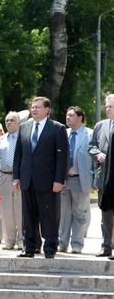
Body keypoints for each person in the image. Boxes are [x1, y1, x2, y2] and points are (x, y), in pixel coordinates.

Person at [13, 97, 68, 259]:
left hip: (48, 181)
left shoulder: (57, 129)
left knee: (49, 215)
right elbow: (18, 155)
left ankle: (50, 247)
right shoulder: (23, 127)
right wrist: (16, 177)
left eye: (38, 107)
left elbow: (62, 157)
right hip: (27, 179)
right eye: (32, 107)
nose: (34, 110)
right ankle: (29, 246)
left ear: (47, 110)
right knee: (28, 215)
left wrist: (59, 179)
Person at [58, 106, 93, 254]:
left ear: (80, 118)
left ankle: (77, 245)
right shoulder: (63, 133)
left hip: (81, 179)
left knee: (80, 213)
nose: (67, 117)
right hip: (63, 180)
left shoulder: (90, 134)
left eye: (71, 115)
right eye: (67, 115)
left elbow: (95, 158)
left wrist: (95, 180)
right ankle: (62, 243)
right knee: (63, 214)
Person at [0, 111, 27, 250]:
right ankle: (9, 240)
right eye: (7, 120)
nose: (9, 123)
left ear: (19, 122)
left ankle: (21, 240)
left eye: (12, 120)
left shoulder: (23, 138)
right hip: (4, 176)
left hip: (19, 177)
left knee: (19, 209)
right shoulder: (2, 139)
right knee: (6, 209)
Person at [89, 94, 114, 258]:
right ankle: (106, 245)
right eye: (106, 106)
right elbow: (92, 146)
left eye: (111, 106)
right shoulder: (100, 126)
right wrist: (97, 154)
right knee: (105, 212)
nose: (107, 109)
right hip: (104, 176)